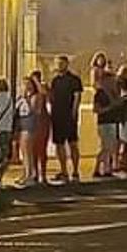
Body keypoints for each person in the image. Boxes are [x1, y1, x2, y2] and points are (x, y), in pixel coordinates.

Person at [49, 55, 83, 183]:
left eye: (61, 63)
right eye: (57, 64)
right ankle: (63, 170)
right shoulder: (55, 80)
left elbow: (77, 97)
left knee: (73, 143)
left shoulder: (74, 80)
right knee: (59, 144)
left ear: (67, 64)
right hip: (57, 115)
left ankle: (75, 170)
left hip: (69, 116)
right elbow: (52, 97)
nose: (59, 66)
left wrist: (74, 113)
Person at [91, 54, 120, 179]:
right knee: (105, 146)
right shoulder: (100, 94)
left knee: (110, 146)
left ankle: (106, 169)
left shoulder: (114, 95)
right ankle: (98, 167)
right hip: (104, 122)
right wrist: (110, 107)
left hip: (112, 120)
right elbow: (96, 109)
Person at [15, 76, 40, 185]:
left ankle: (30, 174)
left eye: (27, 84)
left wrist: (26, 99)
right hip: (22, 122)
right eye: (23, 84)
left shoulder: (34, 97)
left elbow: (32, 110)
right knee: (23, 150)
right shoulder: (21, 97)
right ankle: (26, 172)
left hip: (30, 123)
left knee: (27, 150)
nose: (25, 86)